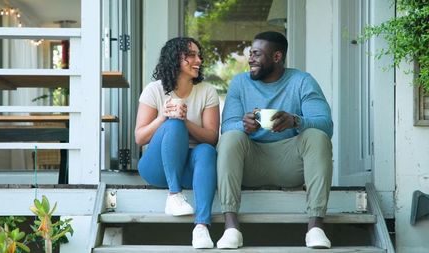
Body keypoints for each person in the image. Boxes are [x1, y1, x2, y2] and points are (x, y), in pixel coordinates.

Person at [216, 31, 334, 249]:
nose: (250, 58)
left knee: (317, 136)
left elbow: (326, 124)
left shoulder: (302, 81)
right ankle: (231, 227)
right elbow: (226, 127)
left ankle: (315, 227)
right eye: (250, 53)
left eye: (257, 54)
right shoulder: (239, 83)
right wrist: (244, 125)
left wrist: (295, 120)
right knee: (231, 138)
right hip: (250, 163)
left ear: (277, 57)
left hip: (291, 164)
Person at [135, 37, 220, 249]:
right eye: (191, 55)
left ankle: (201, 227)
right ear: (174, 59)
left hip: (190, 169)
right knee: (173, 125)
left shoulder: (207, 91)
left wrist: (185, 121)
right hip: (158, 168)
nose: (198, 59)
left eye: (199, 55)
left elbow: (212, 137)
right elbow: (140, 137)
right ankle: (174, 195)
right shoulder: (154, 90)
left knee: (207, 151)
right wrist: (163, 117)